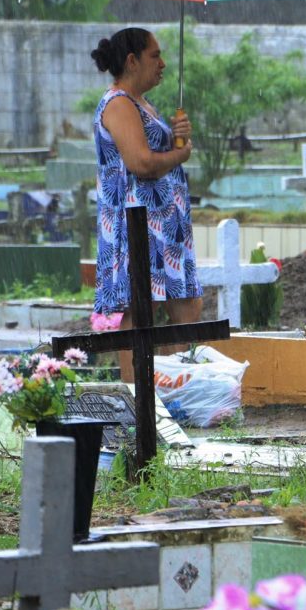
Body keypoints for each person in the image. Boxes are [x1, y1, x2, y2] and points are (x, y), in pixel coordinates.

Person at [90, 28, 203, 382]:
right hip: (139, 223)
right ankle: (137, 396)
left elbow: (155, 152)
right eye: (155, 55)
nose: (163, 63)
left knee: (185, 303)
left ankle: (175, 387)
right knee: (141, 310)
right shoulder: (120, 103)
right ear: (132, 61)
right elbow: (140, 163)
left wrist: (176, 132)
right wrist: (180, 153)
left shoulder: (140, 103)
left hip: (163, 222)